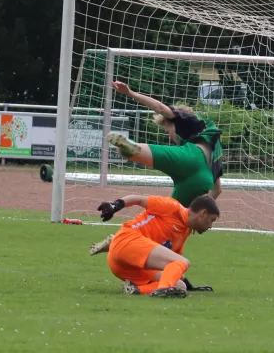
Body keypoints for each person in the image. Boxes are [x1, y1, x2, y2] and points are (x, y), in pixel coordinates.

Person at [89, 80, 223, 255]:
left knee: (128, 152)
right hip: (202, 179)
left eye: (166, 129)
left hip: (191, 157)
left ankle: (131, 148)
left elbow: (161, 108)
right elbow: (217, 190)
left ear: (170, 122)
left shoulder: (191, 121)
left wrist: (131, 93)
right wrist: (199, 211)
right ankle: (121, 242)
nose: (168, 135)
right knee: (169, 220)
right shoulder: (215, 147)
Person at [97, 194, 220, 297]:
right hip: (127, 240)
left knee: (179, 286)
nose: (210, 226)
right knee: (184, 262)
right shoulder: (173, 207)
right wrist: (115, 205)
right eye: (211, 220)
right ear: (202, 214)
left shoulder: (184, 231)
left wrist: (190, 286)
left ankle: (135, 289)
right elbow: (139, 199)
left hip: (127, 267)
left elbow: (171, 269)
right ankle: (163, 289)